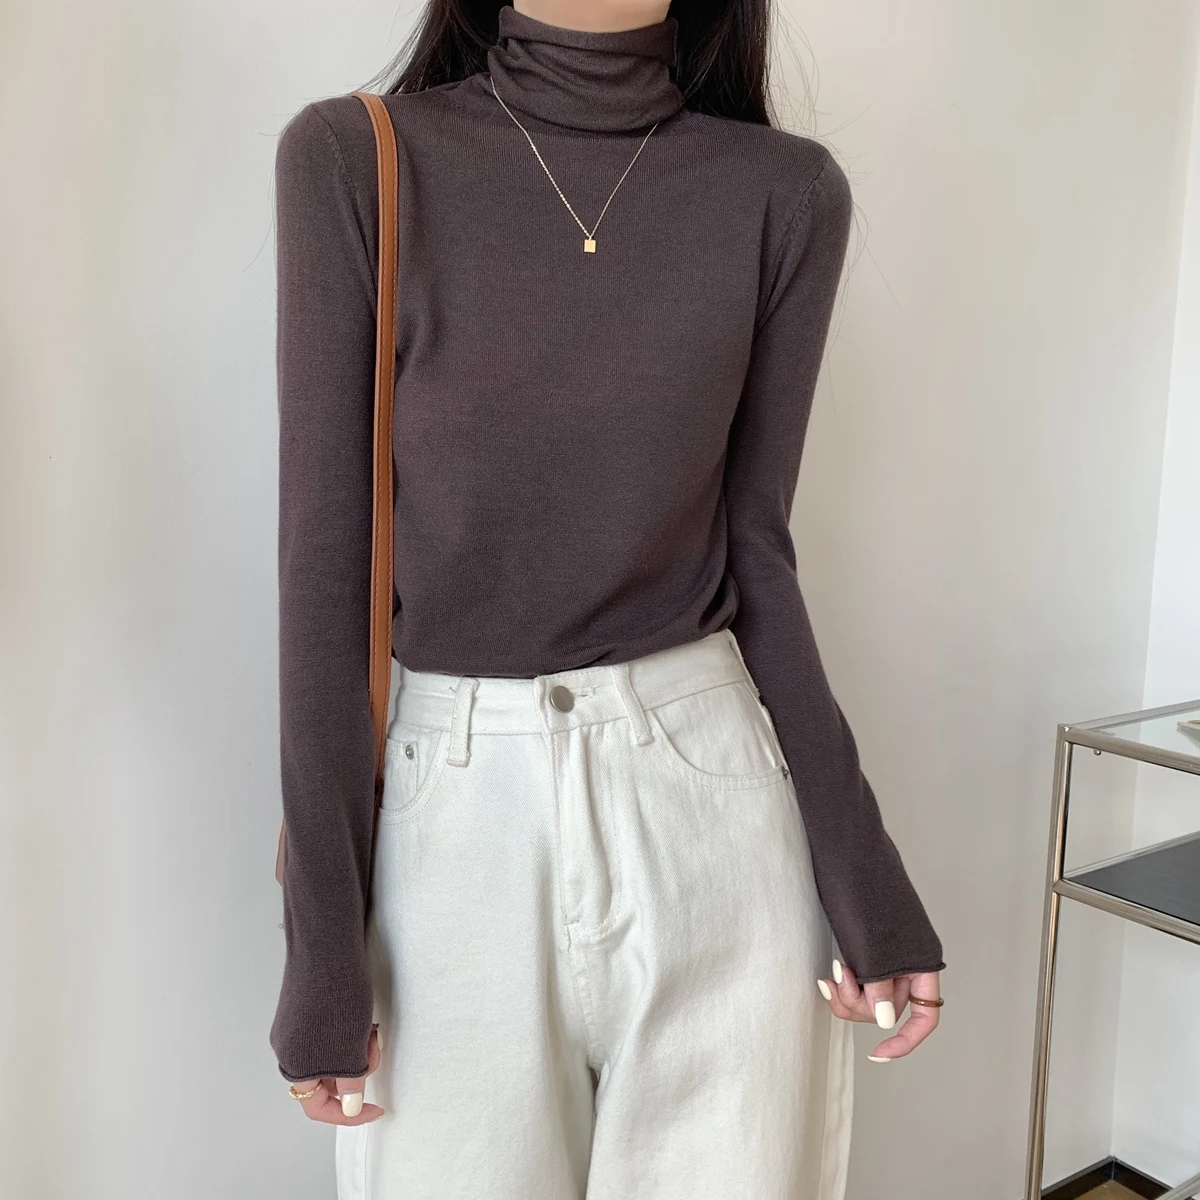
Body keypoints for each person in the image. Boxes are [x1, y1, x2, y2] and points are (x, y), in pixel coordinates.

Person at [270, 2, 945, 1196]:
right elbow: (326, 573)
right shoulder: (354, 159)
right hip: (454, 825)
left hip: (711, 813)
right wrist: (321, 945)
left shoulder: (785, 194)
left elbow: (756, 552)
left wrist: (866, 877)